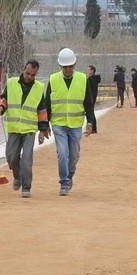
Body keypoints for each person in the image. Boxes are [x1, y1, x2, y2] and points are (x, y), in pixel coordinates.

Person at [0, 60, 50, 198]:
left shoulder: (38, 88)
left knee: (27, 159)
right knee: (11, 157)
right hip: (14, 128)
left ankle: (26, 187)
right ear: (23, 69)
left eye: (33, 75)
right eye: (27, 73)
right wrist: (0, 108)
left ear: (36, 74)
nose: (29, 77)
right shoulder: (12, 83)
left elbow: (42, 110)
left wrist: (43, 129)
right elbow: (4, 99)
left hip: (29, 129)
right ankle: (18, 177)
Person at [46, 48, 93, 196]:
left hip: (75, 124)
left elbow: (89, 103)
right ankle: (64, 183)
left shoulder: (82, 79)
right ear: (60, 66)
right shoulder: (53, 79)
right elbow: (47, 104)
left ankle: (70, 174)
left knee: (74, 155)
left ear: (74, 64)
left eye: (70, 66)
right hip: (58, 124)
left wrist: (90, 123)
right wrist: (44, 125)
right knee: (62, 153)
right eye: (65, 67)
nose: (68, 69)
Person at [86, 65, 101, 133]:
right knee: (91, 112)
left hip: (91, 98)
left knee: (91, 112)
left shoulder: (91, 79)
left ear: (92, 71)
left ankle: (93, 129)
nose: (88, 71)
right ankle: (93, 128)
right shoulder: (93, 78)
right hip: (92, 97)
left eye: (89, 70)